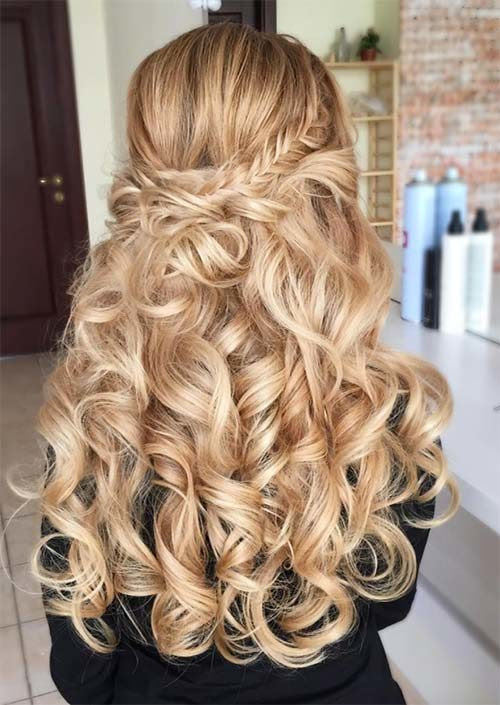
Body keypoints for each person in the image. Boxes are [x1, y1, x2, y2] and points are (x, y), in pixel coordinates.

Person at [31, 22, 459, 705]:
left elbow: (80, 669)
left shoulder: (100, 407)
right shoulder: (383, 403)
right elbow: (386, 602)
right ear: (328, 190)